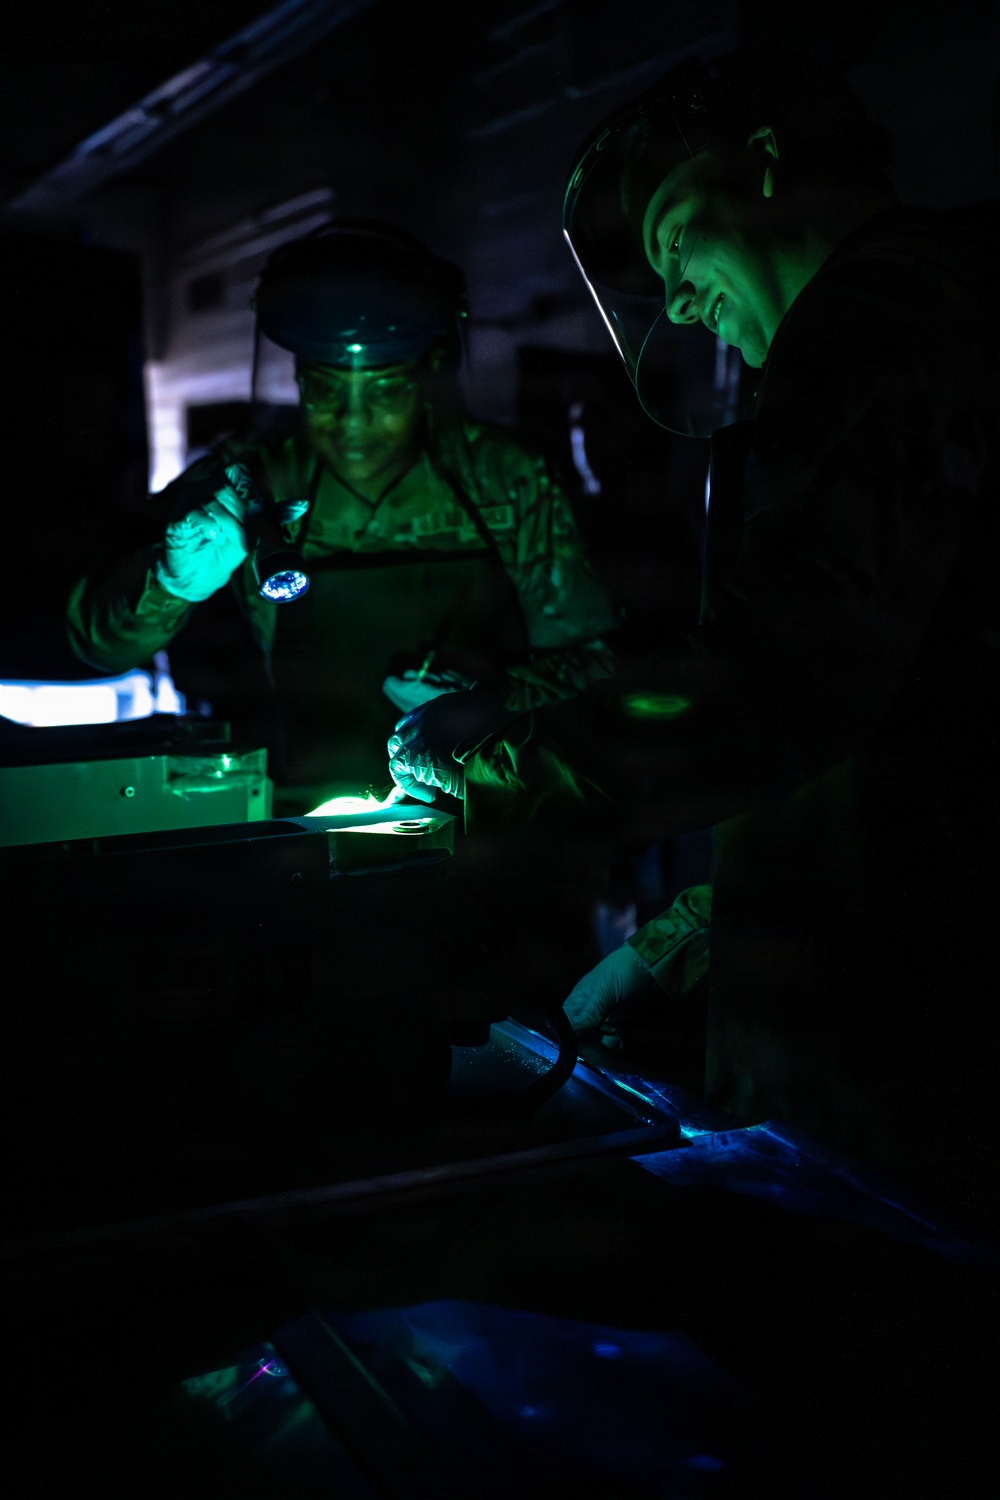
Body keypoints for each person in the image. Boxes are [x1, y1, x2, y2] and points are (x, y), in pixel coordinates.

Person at [387, 51, 1000, 1237]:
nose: (671, 301)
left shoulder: (884, 318)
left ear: (765, 166)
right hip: (884, 985)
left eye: (671, 246)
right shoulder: (932, 314)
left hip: (913, 1035)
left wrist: (493, 768)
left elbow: (783, 678)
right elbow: (892, 722)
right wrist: (684, 942)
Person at [68, 221, 615, 815]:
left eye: (386, 391)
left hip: (490, 811)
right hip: (307, 808)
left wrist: (490, 697)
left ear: (430, 372)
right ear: (297, 376)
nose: (352, 424)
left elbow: (599, 660)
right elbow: (94, 643)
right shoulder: (250, 481)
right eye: (324, 390)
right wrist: (168, 585)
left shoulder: (508, 478)